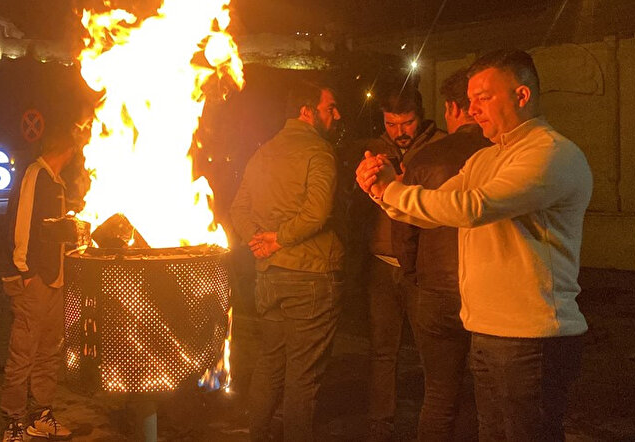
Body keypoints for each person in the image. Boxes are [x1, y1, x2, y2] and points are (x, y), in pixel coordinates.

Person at [356, 49, 592, 441]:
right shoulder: (486, 158)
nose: (473, 109)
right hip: (486, 329)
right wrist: (381, 190)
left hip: (531, 337)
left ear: (521, 95)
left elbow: (472, 207)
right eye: (470, 100)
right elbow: (432, 211)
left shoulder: (550, 153)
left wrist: (392, 190)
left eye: (483, 97)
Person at [230, 80, 345, 441]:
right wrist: (276, 239)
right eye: (330, 108)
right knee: (303, 374)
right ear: (307, 111)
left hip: (269, 277)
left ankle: (257, 435)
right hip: (311, 276)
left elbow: (238, 209)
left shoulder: (262, 153)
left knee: (270, 362)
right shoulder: (319, 152)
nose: (337, 115)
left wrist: (258, 241)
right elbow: (317, 213)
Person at [391, 70, 490, 441]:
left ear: (452, 108)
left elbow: (405, 231)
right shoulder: (501, 156)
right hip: (487, 291)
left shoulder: (426, 158)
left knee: (439, 393)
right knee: (489, 397)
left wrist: (413, 275)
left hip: (435, 292)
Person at [363, 88, 444, 440]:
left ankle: (437, 418)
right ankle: (381, 423)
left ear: (420, 115)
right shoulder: (373, 150)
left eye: (407, 123)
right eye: (391, 124)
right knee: (383, 349)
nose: (399, 132)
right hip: (382, 264)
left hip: (424, 265)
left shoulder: (440, 147)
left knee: (432, 350)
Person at [0, 127, 77, 442]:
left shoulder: (57, 182)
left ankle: (40, 415)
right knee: (23, 353)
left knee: (49, 351)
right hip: (34, 280)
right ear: (67, 150)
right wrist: (26, 270)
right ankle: (13, 421)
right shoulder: (36, 174)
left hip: (54, 280)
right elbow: (21, 223)